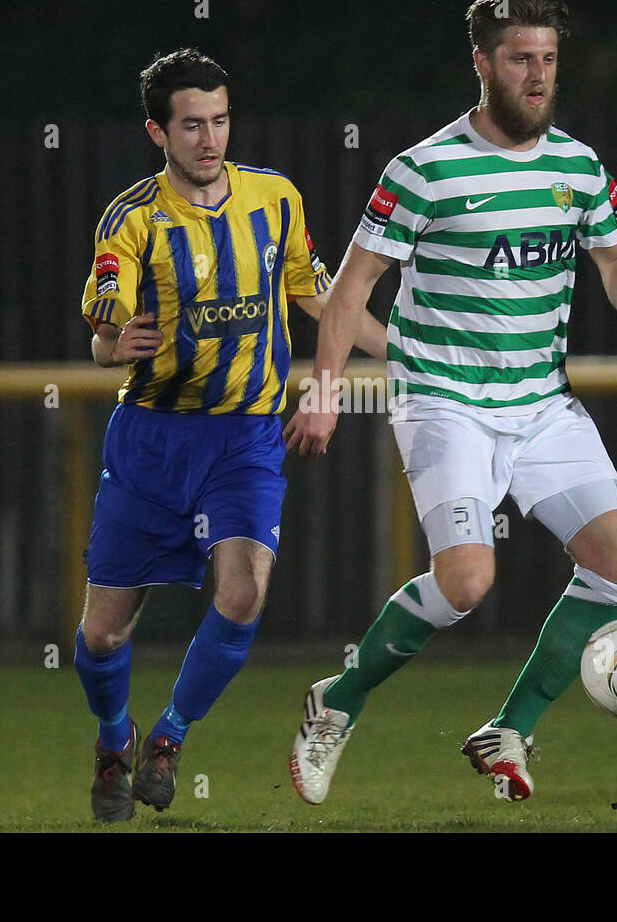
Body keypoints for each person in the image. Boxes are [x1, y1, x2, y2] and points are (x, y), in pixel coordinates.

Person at [284, 0, 617, 804]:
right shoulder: (424, 170)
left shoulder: (576, 164)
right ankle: (337, 702)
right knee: (466, 584)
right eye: (519, 59)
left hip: (540, 405)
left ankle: (511, 726)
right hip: (444, 400)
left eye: (548, 59)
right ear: (482, 64)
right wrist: (325, 392)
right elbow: (353, 288)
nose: (536, 75)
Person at [76, 47, 386, 822]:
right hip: (151, 440)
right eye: (190, 125)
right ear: (158, 131)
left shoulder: (275, 199)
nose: (209, 138)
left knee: (244, 592)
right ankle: (116, 738)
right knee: (102, 637)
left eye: (218, 120)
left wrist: (408, 347)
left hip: (244, 436)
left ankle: (171, 739)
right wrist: (116, 343)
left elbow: (315, 294)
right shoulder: (133, 217)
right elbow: (101, 332)